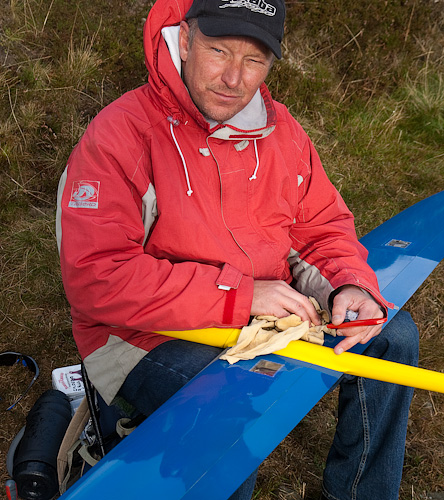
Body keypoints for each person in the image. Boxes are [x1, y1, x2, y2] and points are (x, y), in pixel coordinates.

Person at [56, 0, 419, 498]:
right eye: (218, 50)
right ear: (184, 41)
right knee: (231, 409)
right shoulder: (121, 134)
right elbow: (97, 279)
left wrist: (349, 284)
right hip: (142, 334)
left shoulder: (282, 129)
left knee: (393, 336)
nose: (233, 77)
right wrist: (240, 295)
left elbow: (323, 226)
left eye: (254, 60)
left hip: (261, 308)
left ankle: (359, 492)